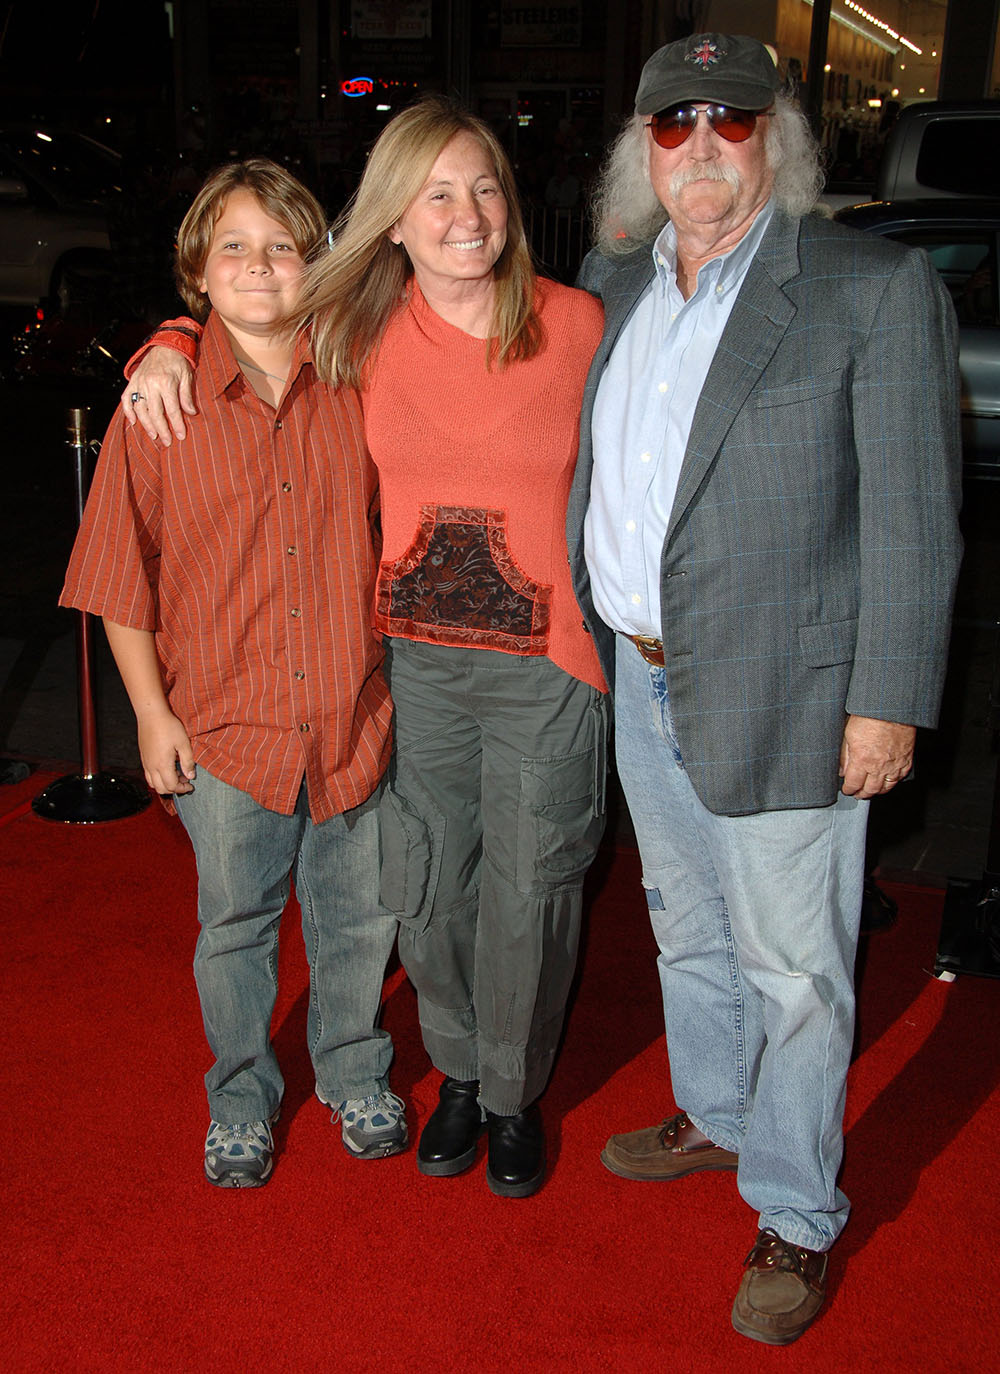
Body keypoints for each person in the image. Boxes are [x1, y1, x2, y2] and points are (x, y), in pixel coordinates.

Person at [121, 98, 610, 1199]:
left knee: (530, 894)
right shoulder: (363, 334)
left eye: (483, 186)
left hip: (545, 672)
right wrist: (170, 337)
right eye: (434, 193)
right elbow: (250, 305)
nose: (465, 214)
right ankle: (459, 1078)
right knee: (426, 894)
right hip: (413, 673)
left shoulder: (582, 323)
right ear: (391, 218)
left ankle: (513, 1091)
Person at [566, 33, 962, 1345]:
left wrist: (888, 698)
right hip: (642, 668)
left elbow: (913, 515)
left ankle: (795, 1204)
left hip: (795, 685)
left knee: (796, 969)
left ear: (775, 138)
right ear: (642, 147)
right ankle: (718, 1111)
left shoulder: (869, 286)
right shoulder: (615, 278)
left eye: (731, 124)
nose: (701, 150)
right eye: (672, 126)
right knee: (681, 915)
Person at [61, 159, 407, 1188]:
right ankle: (242, 1095)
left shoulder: (363, 379)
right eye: (234, 249)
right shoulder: (157, 409)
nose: (260, 267)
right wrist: (150, 716)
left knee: (358, 918)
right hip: (223, 728)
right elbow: (123, 578)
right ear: (197, 275)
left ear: (316, 262)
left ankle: (352, 1069)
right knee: (235, 926)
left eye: (283, 246)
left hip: (354, 715)